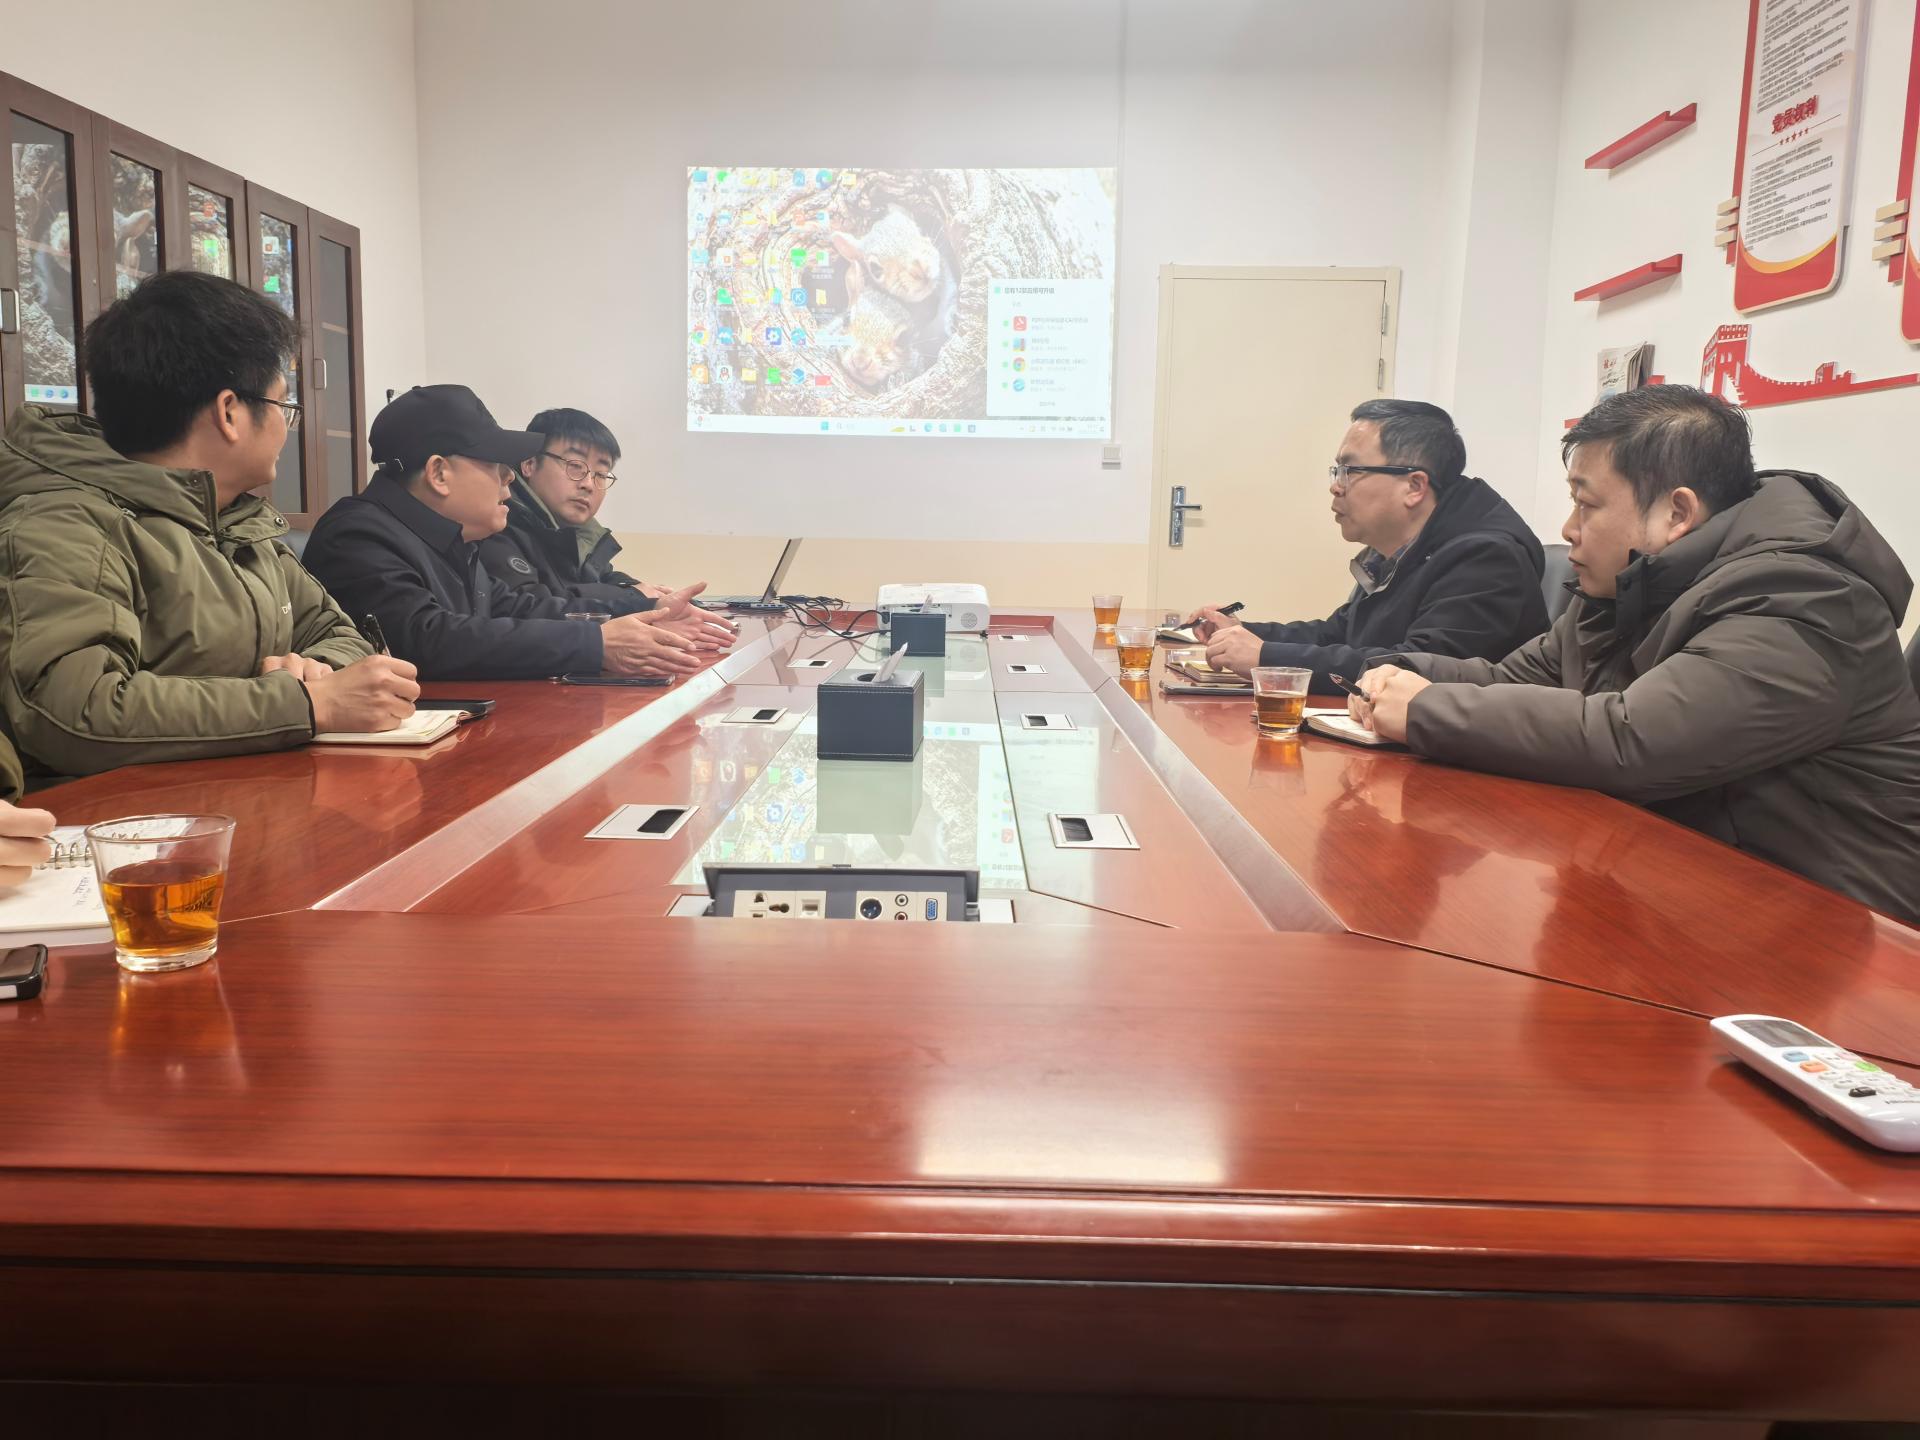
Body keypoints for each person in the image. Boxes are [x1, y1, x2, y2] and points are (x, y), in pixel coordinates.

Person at [1352, 385, 1920, 925]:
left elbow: (1635, 740)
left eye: (1586, 505)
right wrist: (1402, 674)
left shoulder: (1807, 598)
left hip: (1835, 932)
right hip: (1677, 889)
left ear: (1677, 514)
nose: (1568, 529)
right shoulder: (1632, 583)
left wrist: (1426, 709)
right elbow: (1512, 678)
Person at [0, 271, 419, 786]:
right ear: (229, 412)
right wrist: (305, 703)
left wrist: (315, 670)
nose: (287, 428)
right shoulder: (66, 524)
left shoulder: (240, 523)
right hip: (128, 821)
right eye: (284, 407)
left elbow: (337, 632)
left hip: (254, 796)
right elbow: (76, 711)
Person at [302, 386, 733, 681]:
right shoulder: (359, 534)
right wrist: (595, 644)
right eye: (496, 466)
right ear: (438, 473)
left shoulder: (451, 539)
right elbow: (426, 640)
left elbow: (517, 607)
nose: (509, 478)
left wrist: (644, 609)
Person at [1186, 399, 1547, 686]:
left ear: (1414, 486)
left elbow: (1416, 670)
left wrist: (1268, 657)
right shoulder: (1400, 547)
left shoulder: (1487, 557)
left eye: (1350, 471)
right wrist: (1243, 633)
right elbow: (1338, 634)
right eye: (1337, 471)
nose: (1336, 486)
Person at [478, 407, 691, 617]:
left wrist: (648, 593)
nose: (588, 484)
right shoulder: (496, 523)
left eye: (601, 474)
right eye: (575, 465)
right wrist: (634, 597)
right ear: (530, 464)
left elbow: (603, 579)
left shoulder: (579, 535)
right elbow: (529, 607)